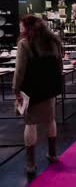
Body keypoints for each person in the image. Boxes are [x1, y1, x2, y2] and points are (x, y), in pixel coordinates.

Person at [13, 15, 63, 174]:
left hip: (31, 89)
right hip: (50, 88)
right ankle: (53, 153)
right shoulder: (54, 41)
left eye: (22, 26)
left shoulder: (24, 44)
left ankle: (30, 163)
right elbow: (59, 65)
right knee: (50, 119)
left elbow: (20, 71)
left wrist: (16, 89)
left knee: (30, 123)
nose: (20, 29)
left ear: (28, 28)